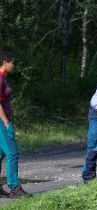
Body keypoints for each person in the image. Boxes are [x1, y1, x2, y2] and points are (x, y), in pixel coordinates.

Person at [0, 51, 32, 198]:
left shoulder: (2, 78)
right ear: (5, 62)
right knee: (13, 153)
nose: (13, 65)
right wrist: (6, 121)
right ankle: (14, 188)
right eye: (12, 62)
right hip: (1, 122)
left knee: (0, 155)